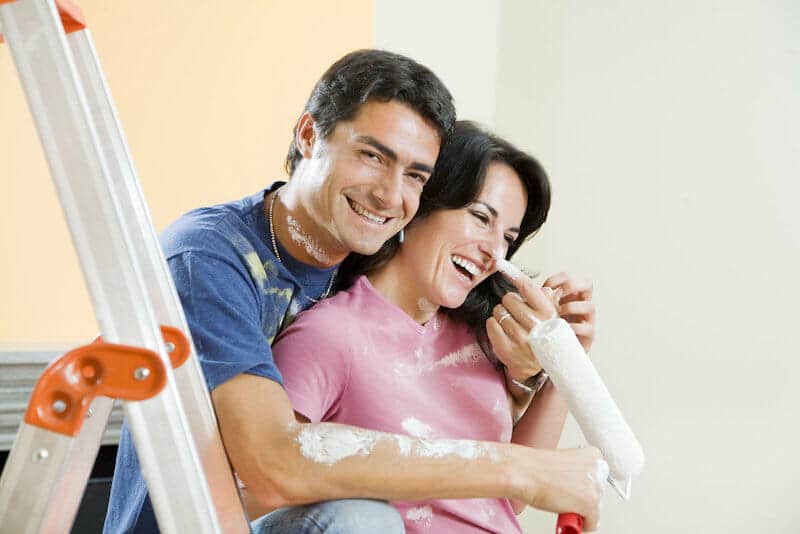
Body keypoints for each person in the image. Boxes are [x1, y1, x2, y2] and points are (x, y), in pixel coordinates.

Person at [104, 49, 600, 534]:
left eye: (414, 176)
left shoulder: (364, 268)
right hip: (194, 520)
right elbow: (271, 467)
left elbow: (481, 487)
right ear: (308, 135)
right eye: (371, 156)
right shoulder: (209, 260)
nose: (389, 194)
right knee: (361, 518)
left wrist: (548, 368)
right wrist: (517, 467)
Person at [267, 121, 603, 533]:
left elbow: (512, 499)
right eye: (480, 218)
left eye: (508, 238)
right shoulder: (329, 335)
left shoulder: (475, 340)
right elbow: (263, 481)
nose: (494, 253)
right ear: (420, 202)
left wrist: (566, 359)